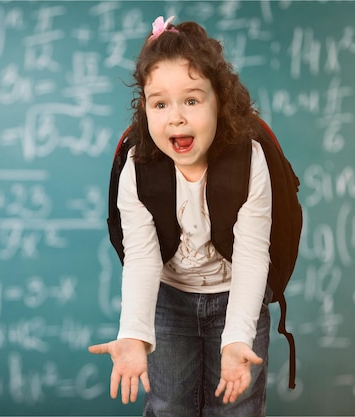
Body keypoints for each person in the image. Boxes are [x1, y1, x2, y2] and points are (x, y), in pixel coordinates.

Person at [88, 16, 273, 417]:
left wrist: (238, 336)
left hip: (237, 295)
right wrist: (134, 335)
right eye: (160, 103)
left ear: (219, 102)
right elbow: (140, 255)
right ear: (145, 109)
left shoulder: (248, 158)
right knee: (170, 404)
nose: (176, 117)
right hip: (168, 298)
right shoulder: (137, 165)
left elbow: (253, 253)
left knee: (236, 408)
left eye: (192, 100)